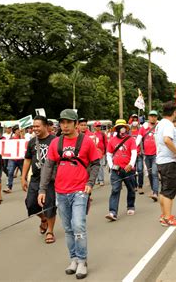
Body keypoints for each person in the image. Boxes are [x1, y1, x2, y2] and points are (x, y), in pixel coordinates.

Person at [38, 109, 100, 279]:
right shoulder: (55, 143)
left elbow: (95, 164)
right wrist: (42, 189)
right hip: (60, 191)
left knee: (78, 225)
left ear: (75, 124)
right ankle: (73, 259)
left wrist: (90, 183)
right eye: (62, 122)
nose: (64, 126)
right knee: (67, 228)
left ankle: (82, 261)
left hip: (80, 190)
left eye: (68, 122)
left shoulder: (86, 142)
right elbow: (48, 167)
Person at [21, 116, 57, 244]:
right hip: (35, 179)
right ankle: (43, 219)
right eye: (33, 126)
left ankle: (50, 231)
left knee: (49, 205)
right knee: (31, 205)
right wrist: (23, 177)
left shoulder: (55, 141)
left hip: (50, 180)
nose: (35, 129)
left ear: (46, 126)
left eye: (37, 126)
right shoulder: (32, 142)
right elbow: (27, 159)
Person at [155, 101, 176, 227]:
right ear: (174, 112)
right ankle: (167, 217)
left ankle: (164, 215)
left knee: (164, 190)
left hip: (161, 161)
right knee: (169, 191)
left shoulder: (160, 123)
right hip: (168, 162)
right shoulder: (168, 125)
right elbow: (167, 140)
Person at [105, 119, 137, 221]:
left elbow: (134, 153)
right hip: (116, 170)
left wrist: (131, 164)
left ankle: (130, 206)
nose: (121, 129)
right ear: (116, 129)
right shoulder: (112, 140)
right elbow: (109, 155)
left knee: (131, 188)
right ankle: (112, 212)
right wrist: (111, 166)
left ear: (126, 128)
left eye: (123, 127)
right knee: (115, 190)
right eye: (119, 127)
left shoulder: (131, 139)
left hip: (128, 169)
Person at [136, 110, 160, 201]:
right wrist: (134, 151)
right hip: (146, 155)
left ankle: (155, 193)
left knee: (154, 173)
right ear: (148, 117)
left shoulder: (159, 127)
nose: (153, 117)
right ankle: (153, 189)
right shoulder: (143, 128)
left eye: (155, 116)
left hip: (156, 154)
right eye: (151, 116)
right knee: (150, 173)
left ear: (157, 117)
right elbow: (138, 140)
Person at [3, 125, 23, 193]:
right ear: (14, 131)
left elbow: (24, 144)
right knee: (10, 172)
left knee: (24, 173)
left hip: (21, 158)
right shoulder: (11, 139)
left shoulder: (22, 138)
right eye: (17, 130)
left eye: (19, 130)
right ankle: (9, 187)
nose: (18, 131)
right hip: (12, 158)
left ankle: (26, 184)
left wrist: (22, 135)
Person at [129, 114, 144, 194]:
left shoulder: (140, 130)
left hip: (139, 153)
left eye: (136, 120)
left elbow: (144, 140)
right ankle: (134, 185)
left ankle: (140, 186)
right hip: (131, 155)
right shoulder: (128, 131)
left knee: (140, 170)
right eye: (133, 120)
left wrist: (143, 150)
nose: (134, 122)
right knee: (132, 171)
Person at [93, 121, 108, 186]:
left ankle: (101, 180)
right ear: (94, 127)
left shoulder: (102, 134)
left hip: (102, 152)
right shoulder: (93, 134)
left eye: (99, 126)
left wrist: (106, 151)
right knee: (95, 166)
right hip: (94, 153)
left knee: (101, 166)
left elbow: (106, 142)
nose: (98, 127)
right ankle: (97, 180)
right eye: (97, 126)